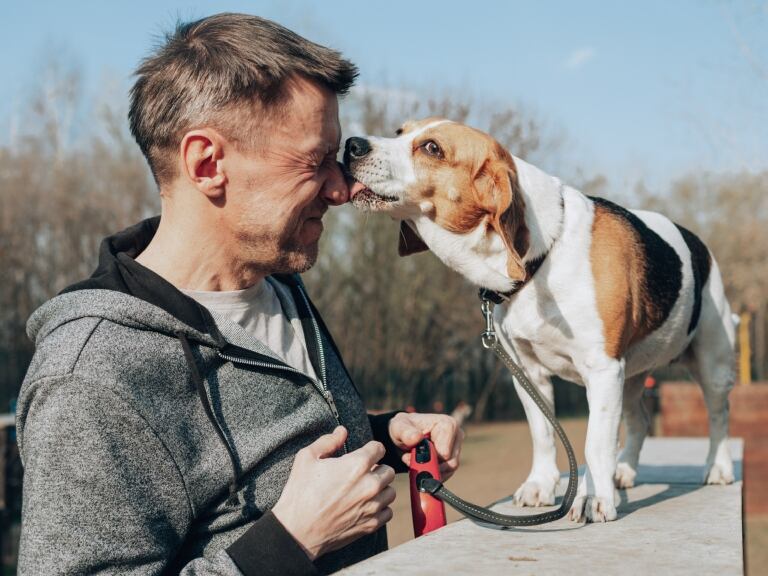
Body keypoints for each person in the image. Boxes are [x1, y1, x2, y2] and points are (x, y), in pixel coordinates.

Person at [16, 13, 463, 575]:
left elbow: (259, 468)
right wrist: (290, 542)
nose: (344, 189)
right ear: (207, 164)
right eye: (316, 160)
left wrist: (382, 436)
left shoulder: (277, 284)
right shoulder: (90, 377)